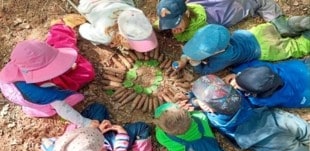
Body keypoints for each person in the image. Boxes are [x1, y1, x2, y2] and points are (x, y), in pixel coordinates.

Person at [185, 74, 310, 151]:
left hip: (260, 137)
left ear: (208, 108)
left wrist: (193, 102)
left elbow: (204, 114)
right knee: (303, 129)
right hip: (269, 119)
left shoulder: (216, 119)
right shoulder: (237, 95)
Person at [0, 15, 95, 117]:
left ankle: (60, 27)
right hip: (44, 90)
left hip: (34, 93)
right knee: (85, 71)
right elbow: (68, 99)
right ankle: (59, 29)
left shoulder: (14, 74)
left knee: (60, 49)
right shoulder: (48, 98)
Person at [41, 102, 165, 151]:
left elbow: (46, 144)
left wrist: (97, 130)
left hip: (84, 138)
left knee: (98, 108)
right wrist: (121, 134)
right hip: (110, 143)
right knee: (142, 127)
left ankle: (89, 132)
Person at [173, 23, 310, 75]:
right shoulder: (208, 36)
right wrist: (184, 58)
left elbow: (206, 70)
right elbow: (195, 47)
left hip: (265, 49)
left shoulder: (227, 56)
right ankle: (297, 24)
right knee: (281, 27)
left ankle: (307, 38)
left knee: (293, 47)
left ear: (217, 52)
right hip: (257, 32)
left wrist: (196, 63)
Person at [155, 0, 309, 42]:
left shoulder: (209, 26)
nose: (173, 29)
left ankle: (284, 24)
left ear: (187, 14)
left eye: (175, 24)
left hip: (231, 7)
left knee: (260, 2)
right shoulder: (189, 6)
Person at [153, 102, 241, 151]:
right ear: (188, 115)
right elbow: (196, 113)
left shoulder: (162, 136)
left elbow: (159, 129)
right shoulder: (200, 118)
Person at [222, 58, 310, 108]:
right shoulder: (266, 69)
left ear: (253, 93)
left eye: (237, 85)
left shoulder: (263, 100)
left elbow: (248, 103)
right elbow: (253, 64)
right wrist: (236, 74)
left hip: (304, 94)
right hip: (301, 68)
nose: (234, 84)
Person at [77, 0, 158, 52]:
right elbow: (83, 29)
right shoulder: (105, 36)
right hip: (90, 4)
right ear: (122, 38)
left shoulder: (135, 13)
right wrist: (98, 41)